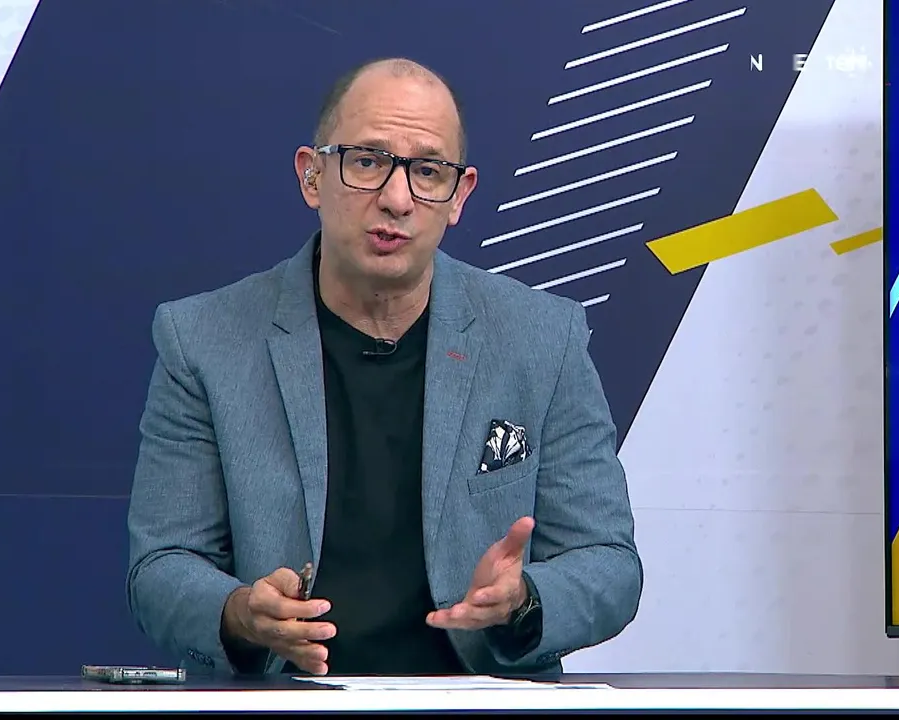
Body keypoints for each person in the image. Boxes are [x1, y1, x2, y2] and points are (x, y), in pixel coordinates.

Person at [125, 56, 643, 677]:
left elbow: (608, 562)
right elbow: (160, 568)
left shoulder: (542, 337)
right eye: (368, 162)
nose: (397, 199)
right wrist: (241, 613)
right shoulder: (202, 340)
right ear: (312, 176)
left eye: (428, 171)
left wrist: (523, 602)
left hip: (479, 698)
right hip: (286, 702)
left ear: (459, 196)